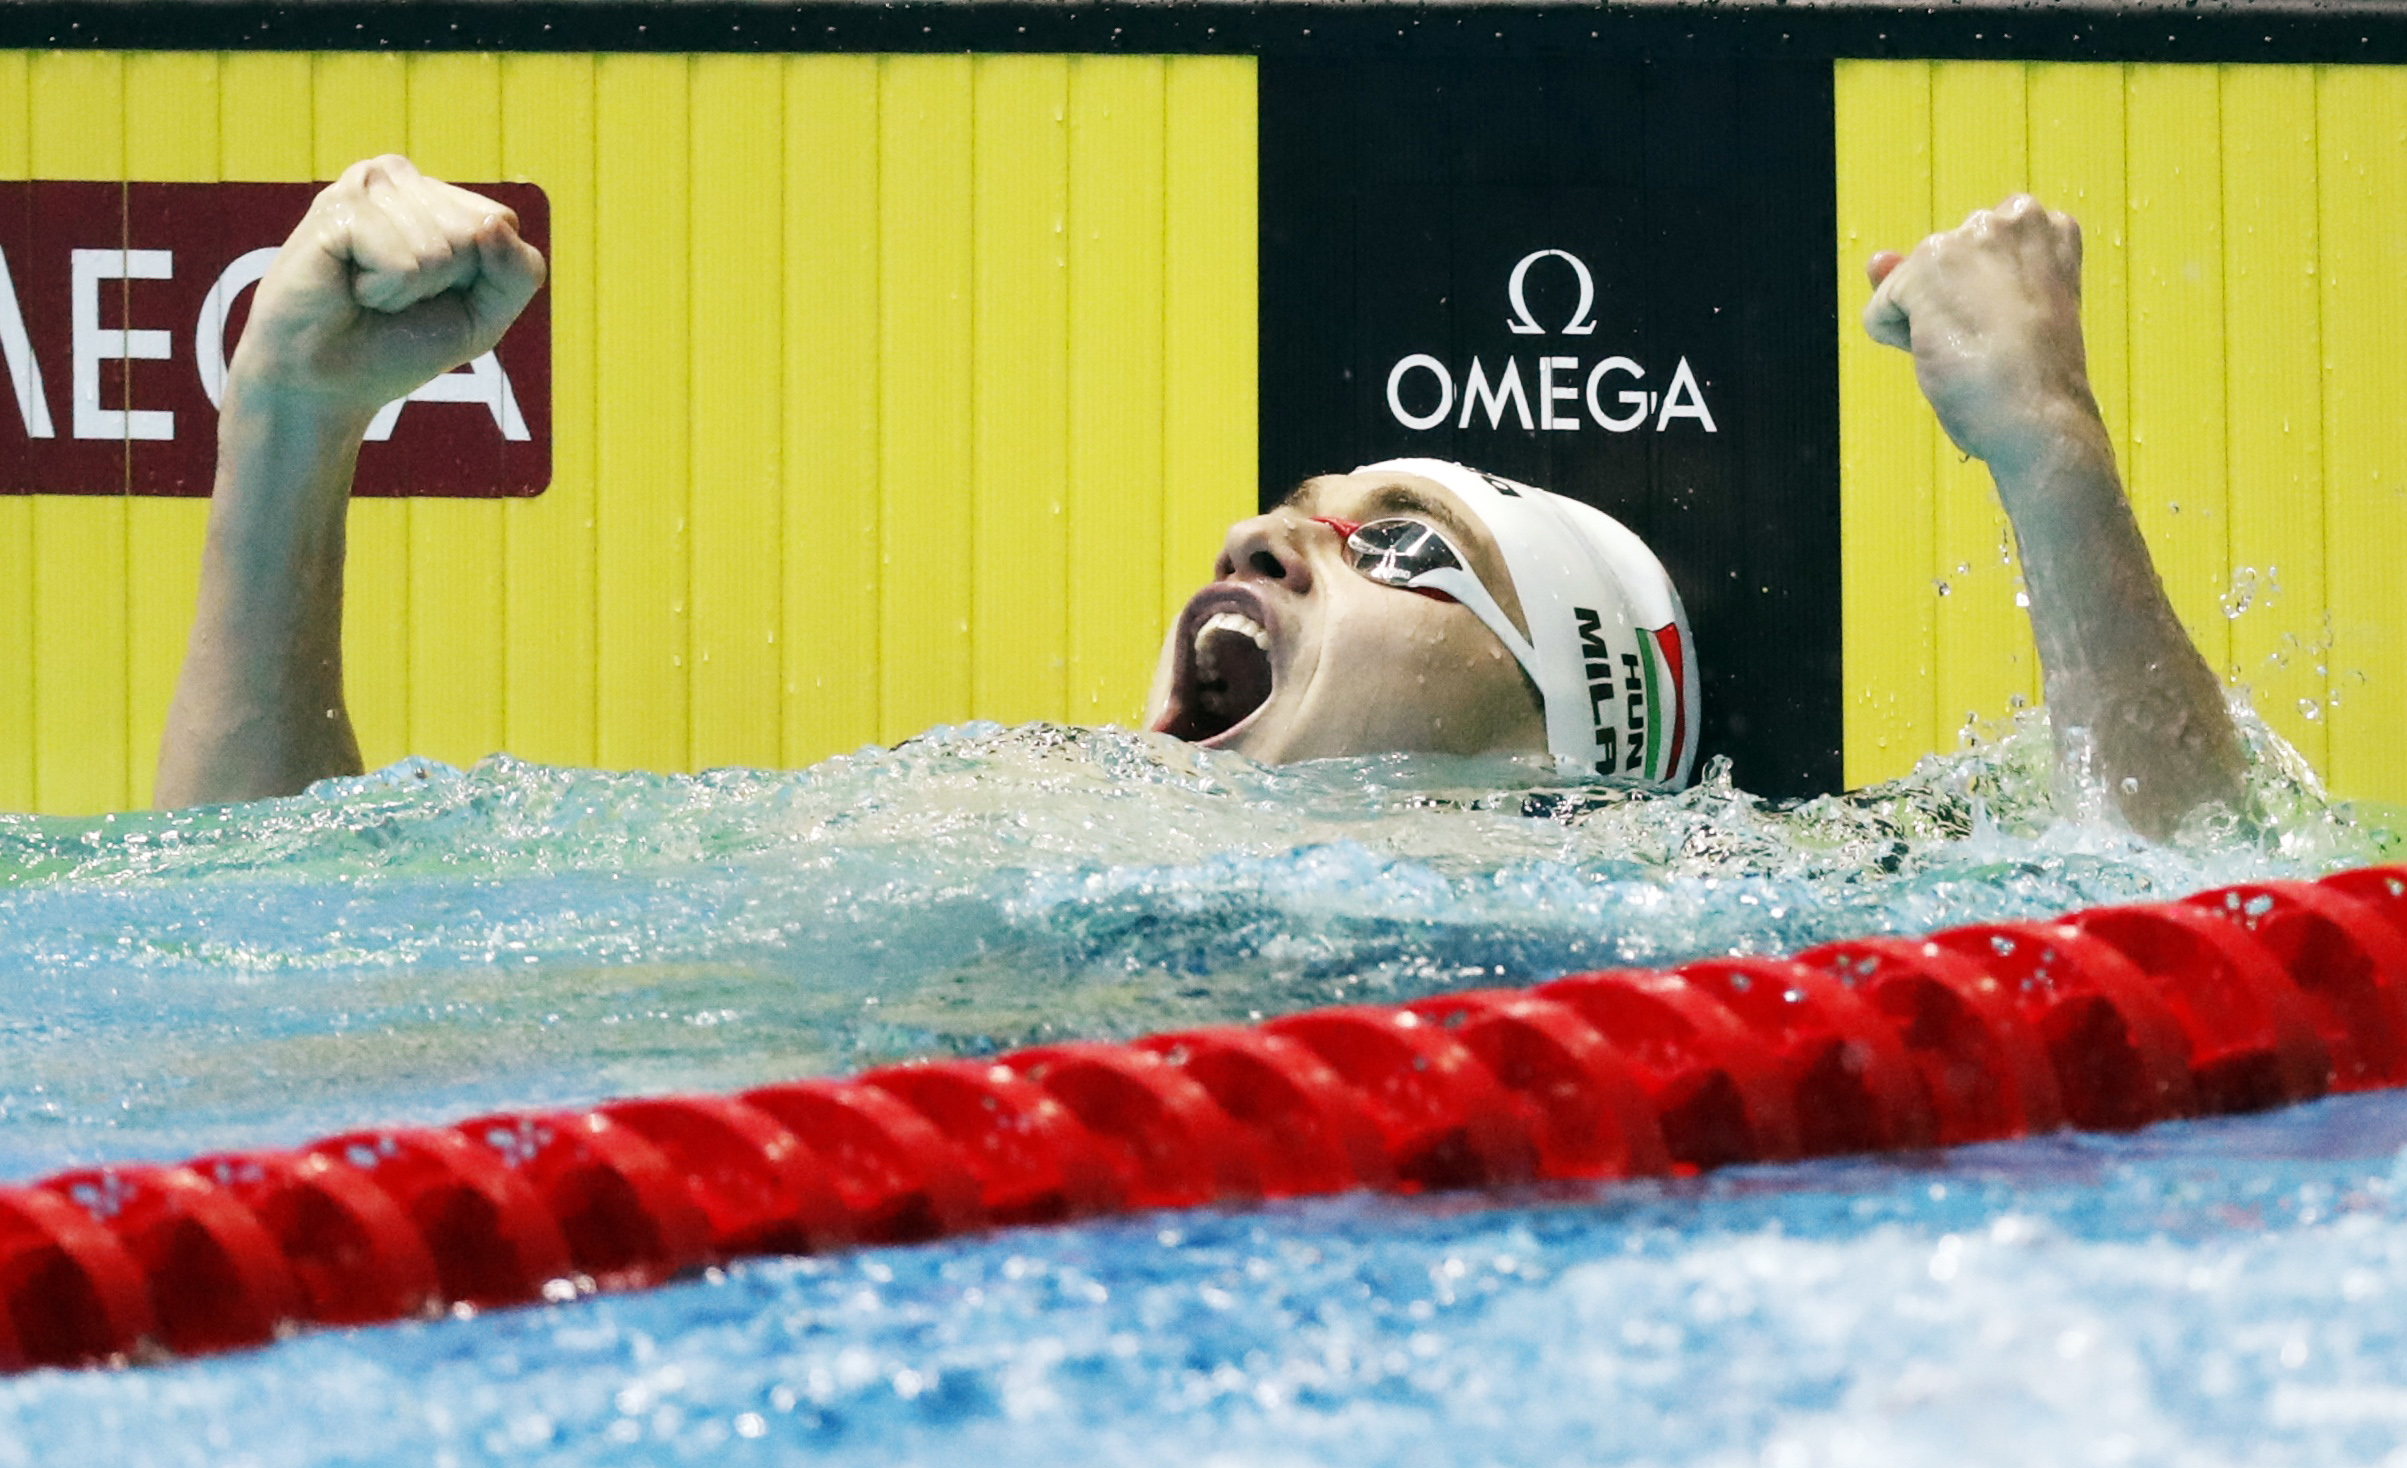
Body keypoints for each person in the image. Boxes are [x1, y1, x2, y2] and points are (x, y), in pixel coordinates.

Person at [157, 159, 2244, 841]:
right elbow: (275, 995)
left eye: (1402, 551)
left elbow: (2200, 921)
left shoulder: (1664, 921)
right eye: (1302, 509)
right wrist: (290, 436)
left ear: (1566, 739)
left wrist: (2047, 460)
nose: (1277, 534)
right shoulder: (916, 838)